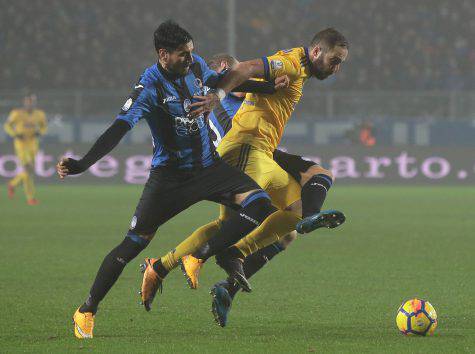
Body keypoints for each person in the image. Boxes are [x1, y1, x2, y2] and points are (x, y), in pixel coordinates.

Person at [56, 20, 287, 339]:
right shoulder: (148, 88)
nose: (190, 59)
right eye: (182, 55)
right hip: (170, 180)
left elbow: (222, 81)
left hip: (209, 168)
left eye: (191, 52)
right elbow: (118, 129)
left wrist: (267, 87)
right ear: (163, 55)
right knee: (132, 244)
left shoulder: (196, 66)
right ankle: (86, 310)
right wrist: (82, 164)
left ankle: (203, 253)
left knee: (259, 203)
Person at [140, 29, 348, 313]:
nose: (337, 69)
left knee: (252, 222)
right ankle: (209, 256)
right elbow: (245, 68)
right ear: (316, 52)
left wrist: (260, 85)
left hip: (254, 150)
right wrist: (219, 92)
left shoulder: (294, 69)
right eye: (335, 61)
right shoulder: (290, 63)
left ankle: (163, 266)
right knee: (272, 212)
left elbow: (249, 77)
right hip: (246, 148)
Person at [4, 93, 47, 205]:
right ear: (24, 103)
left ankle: (13, 184)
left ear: (34, 103)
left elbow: (44, 126)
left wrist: (40, 132)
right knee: (29, 170)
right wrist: (15, 134)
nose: (30, 104)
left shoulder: (40, 114)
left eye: (32, 102)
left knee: (29, 172)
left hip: (33, 145)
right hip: (21, 145)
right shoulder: (16, 113)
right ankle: (30, 198)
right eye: (28, 102)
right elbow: (7, 125)